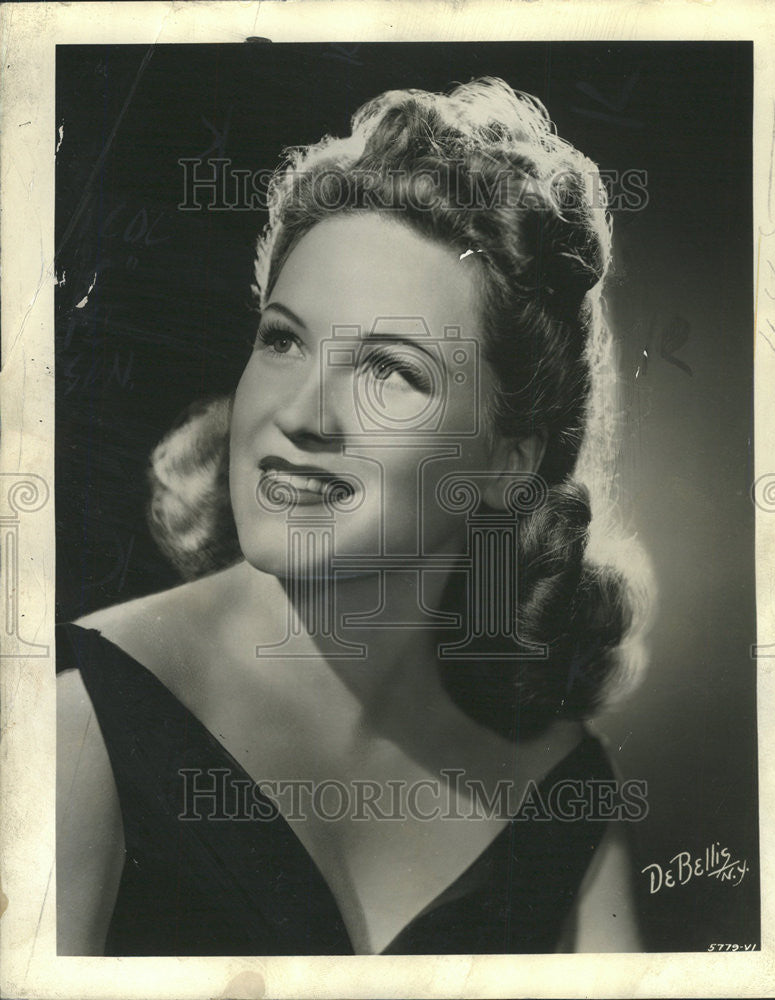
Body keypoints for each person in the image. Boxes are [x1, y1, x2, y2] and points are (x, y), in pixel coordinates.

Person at [56, 77, 652, 956]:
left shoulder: (562, 797)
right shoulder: (79, 722)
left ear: (507, 461)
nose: (301, 414)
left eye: (391, 372)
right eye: (283, 338)